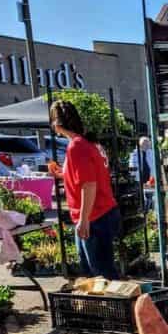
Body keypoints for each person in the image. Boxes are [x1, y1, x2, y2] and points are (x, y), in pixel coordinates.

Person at [49, 100, 121, 280]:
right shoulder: (88, 143)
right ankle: (111, 305)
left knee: (102, 274)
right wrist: (62, 174)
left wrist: (83, 220)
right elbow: (88, 176)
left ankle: (119, 306)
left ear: (56, 124)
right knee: (95, 271)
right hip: (100, 212)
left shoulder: (77, 146)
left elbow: (89, 184)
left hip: (94, 215)